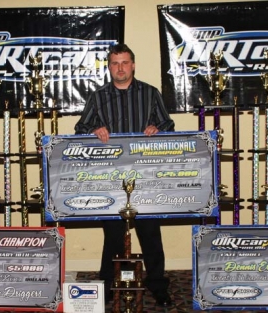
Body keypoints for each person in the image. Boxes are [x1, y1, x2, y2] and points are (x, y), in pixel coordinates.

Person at [75, 43, 175, 307]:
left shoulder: (151, 94)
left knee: (151, 233)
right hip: (110, 178)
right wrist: (94, 130)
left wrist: (157, 128)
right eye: (114, 63)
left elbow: (169, 125)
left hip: (146, 177)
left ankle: (157, 286)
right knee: (113, 236)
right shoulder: (97, 97)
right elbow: (80, 128)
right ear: (109, 67)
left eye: (124, 62)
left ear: (133, 64)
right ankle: (108, 285)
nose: (120, 68)